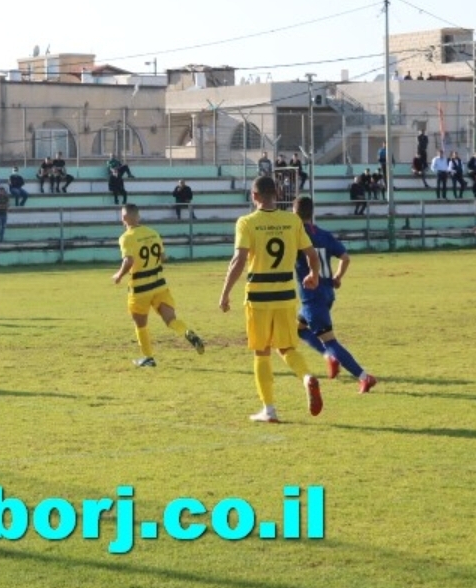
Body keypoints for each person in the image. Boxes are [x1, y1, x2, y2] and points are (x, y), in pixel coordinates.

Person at [218, 175, 323, 423]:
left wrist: (225, 293)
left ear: (254, 196)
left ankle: (269, 409)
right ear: (276, 193)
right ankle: (307, 377)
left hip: (259, 296)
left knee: (262, 352)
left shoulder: (246, 222)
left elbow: (239, 260)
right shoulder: (292, 221)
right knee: (286, 347)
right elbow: (311, 254)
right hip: (286, 295)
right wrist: (314, 275)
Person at [292, 196, 377, 394]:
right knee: (299, 328)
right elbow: (345, 258)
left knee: (329, 340)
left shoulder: (297, 236)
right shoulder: (323, 234)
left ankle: (364, 377)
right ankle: (328, 356)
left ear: (294, 214)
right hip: (327, 292)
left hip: (312, 296)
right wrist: (337, 277)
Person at [112, 203, 205, 368]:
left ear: (124, 218)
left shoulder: (126, 237)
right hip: (159, 285)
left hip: (140, 288)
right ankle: (187, 333)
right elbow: (163, 257)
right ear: (138, 216)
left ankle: (148, 357)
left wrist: (119, 275)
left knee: (140, 325)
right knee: (171, 319)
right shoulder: (153, 233)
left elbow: (129, 260)